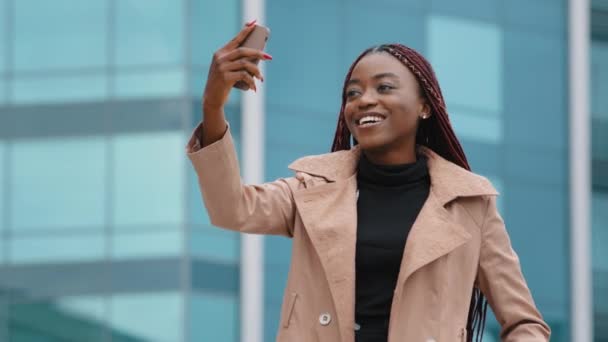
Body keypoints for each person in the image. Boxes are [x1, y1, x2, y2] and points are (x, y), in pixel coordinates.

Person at [187, 21, 551, 342]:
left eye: (384, 88)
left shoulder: (470, 204)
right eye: (353, 93)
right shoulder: (313, 187)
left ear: (425, 106)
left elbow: (525, 323)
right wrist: (213, 105)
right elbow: (231, 209)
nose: (364, 101)